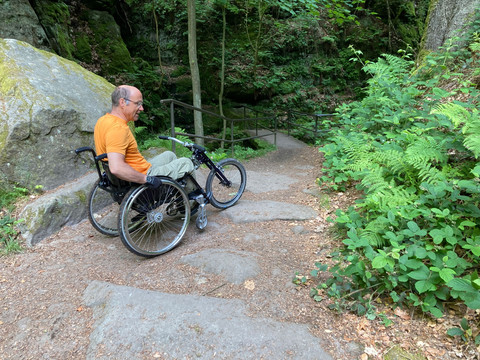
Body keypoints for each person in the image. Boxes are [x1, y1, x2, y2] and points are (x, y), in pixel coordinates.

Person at [94, 85, 194, 188]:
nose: (142, 108)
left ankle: (178, 194)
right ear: (122, 102)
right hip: (141, 176)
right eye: (138, 104)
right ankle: (192, 202)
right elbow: (116, 168)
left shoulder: (103, 120)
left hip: (138, 169)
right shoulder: (118, 129)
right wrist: (146, 179)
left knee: (169, 155)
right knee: (186, 163)